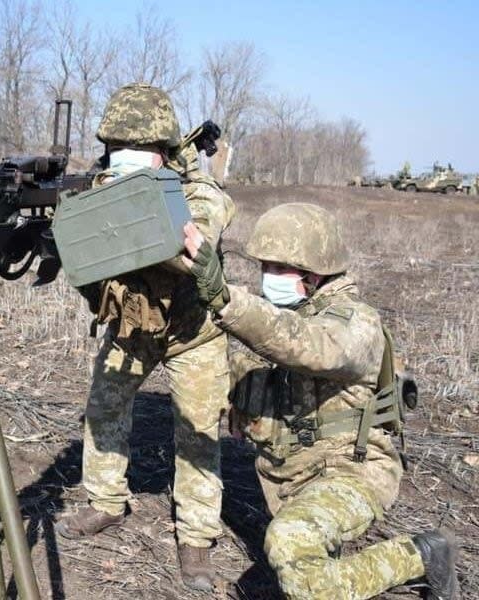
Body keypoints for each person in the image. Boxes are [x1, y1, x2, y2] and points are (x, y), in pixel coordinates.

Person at [182, 203, 459, 600]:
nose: (268, 279)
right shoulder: (282, 313)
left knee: (290, 546)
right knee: (302, 559)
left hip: (350, 471)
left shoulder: (355, 323)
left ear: (315, 276)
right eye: (265, 268)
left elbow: (305, 343)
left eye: (280, 270)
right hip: (290, 477)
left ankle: (422, 554)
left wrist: (227, 299)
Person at [54, 83, 236, 591]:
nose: (123, 166)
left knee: (197, 428)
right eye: (116, 156)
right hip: (133, 326)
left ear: (164, 155)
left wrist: (124, 214)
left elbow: (191, 244)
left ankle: (196, 537)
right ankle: (106, 503)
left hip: (191, 331)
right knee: (104, 407)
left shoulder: (199, 194)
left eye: (138, 157)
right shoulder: (101, 188)